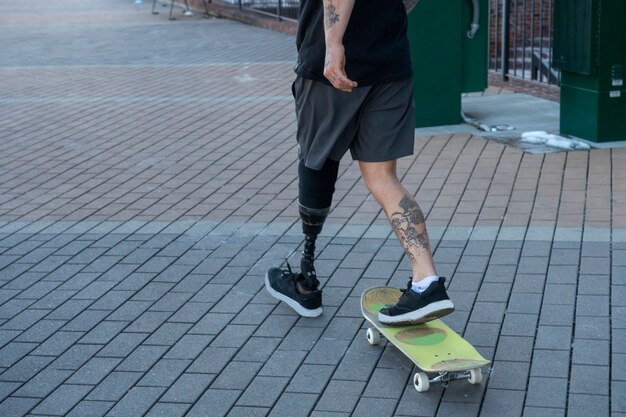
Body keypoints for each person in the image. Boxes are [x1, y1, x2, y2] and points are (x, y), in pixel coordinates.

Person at [265, 0, 455, 324]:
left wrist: (334, 43)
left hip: (337, 65)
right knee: (383, 178)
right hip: (389, 60)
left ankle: (305, 279)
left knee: (315, 162)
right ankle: (427, 283)